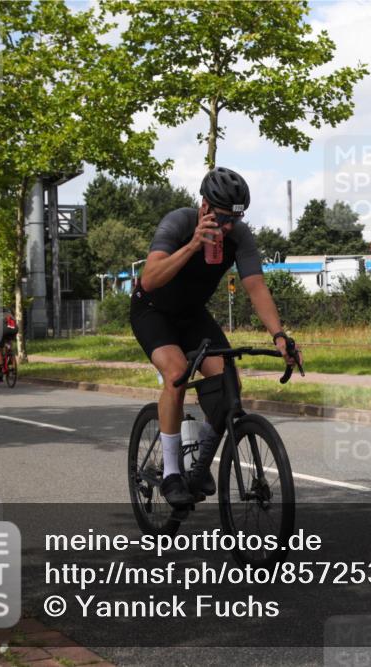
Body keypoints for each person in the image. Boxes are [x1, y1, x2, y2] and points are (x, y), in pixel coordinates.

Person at [131, 167, 302, 508]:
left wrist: (279, 335)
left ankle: (199, 463)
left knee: (228, 382)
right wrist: (193, 244)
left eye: (234, 220)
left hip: (192, 315)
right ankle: (172, 473)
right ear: (205, 207)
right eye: (222, 218)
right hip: (152, 311)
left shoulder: (239, 236)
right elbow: (149, 279)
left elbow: (256, 286)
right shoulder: (178, 223)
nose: (227, 227)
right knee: (177, 373)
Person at [0, 308, 19, 383]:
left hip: (4, 331)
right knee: (9, 344)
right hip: (14, 330)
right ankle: (12, 364)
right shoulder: (11, 315)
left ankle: (0, 372)